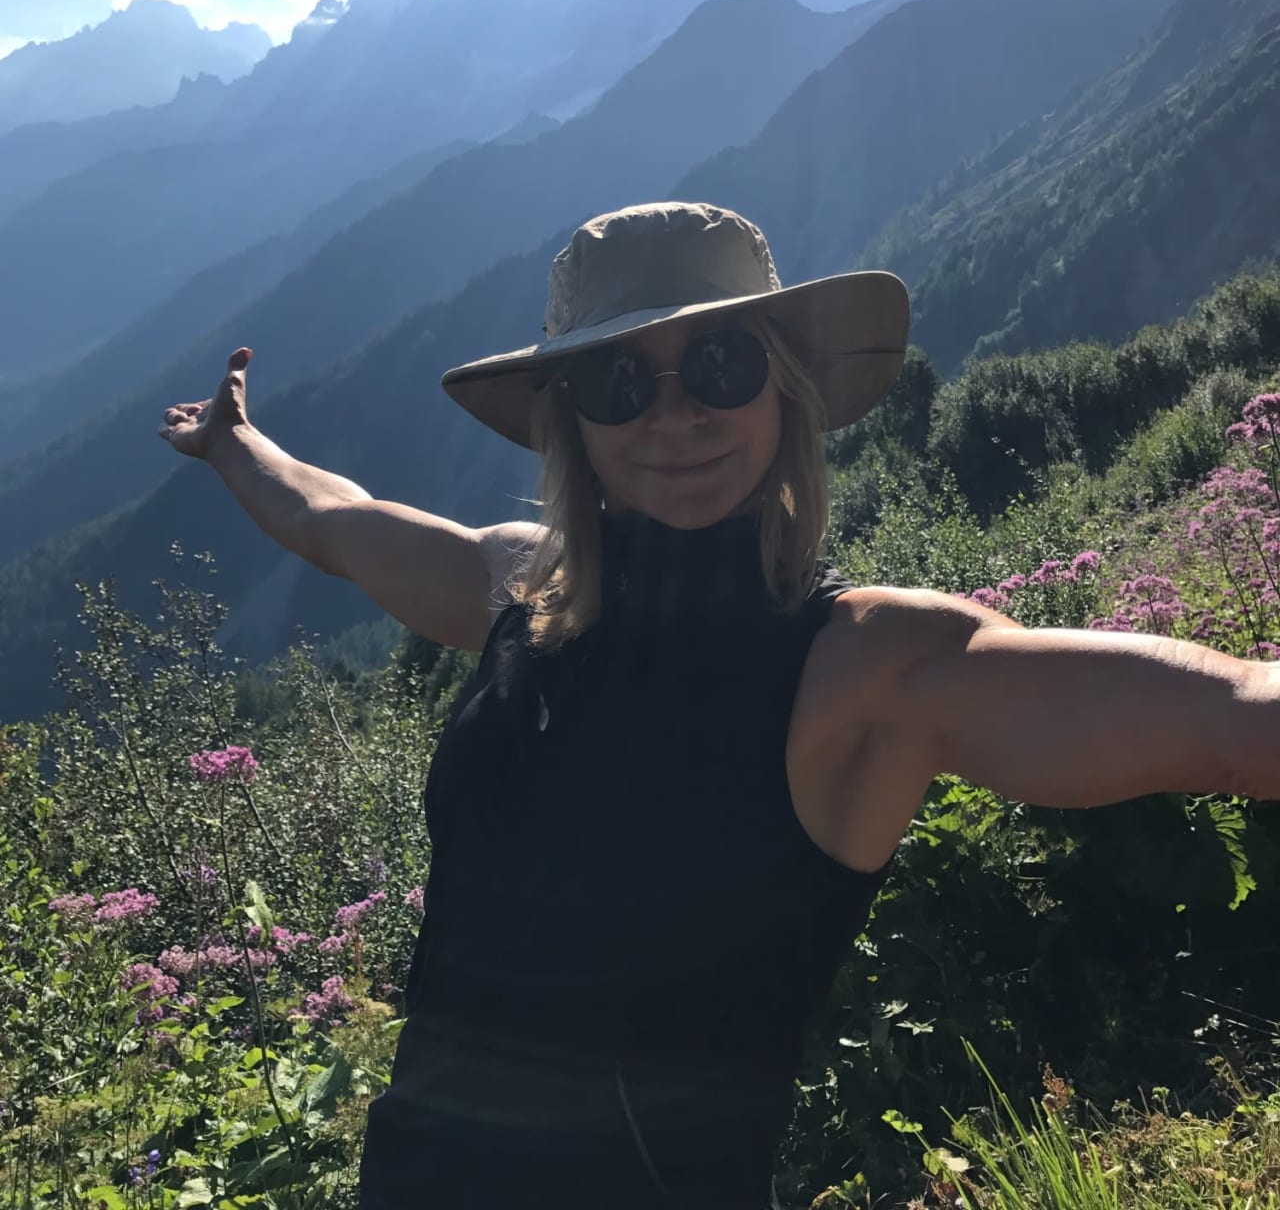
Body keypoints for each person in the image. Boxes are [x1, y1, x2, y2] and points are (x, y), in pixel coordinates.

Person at [158, 202, 1278, 1209]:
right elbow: (333, 522)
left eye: (722, 361)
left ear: (784, 387)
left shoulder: (868, 670)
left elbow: (1232, 715)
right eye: (617, 381)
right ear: (572, 422)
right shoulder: (520, 591)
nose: (674, 412)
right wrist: (233, 442)